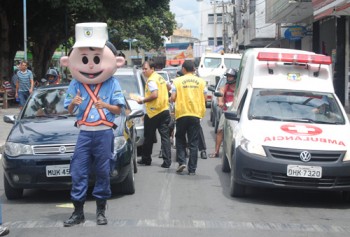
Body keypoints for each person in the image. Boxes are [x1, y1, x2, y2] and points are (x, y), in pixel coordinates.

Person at [61, 22, 126, 227]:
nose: (90, 65)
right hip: (85, 133)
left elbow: (119, 110)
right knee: (78, 171)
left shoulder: (112, 83)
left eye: (96, 59)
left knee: (103, 171)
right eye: (85, 59)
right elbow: (69, 110)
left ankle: (100, 211)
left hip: (104, 133)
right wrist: (73, 103)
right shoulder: (76, 84)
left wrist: (104, 104)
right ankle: (78, 212)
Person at [171, 60, 206, 175]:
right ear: (194, 69)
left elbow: (173, 97)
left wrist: (172, 100)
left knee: (180, 138)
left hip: (182, 113)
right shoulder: (201, 82)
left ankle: (182, 162)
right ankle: (192, 169)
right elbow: (205, 97)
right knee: (194, 142)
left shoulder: (177, 81)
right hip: (195, 113)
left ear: (184, 69)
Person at [136, 60, 172, 168]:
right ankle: (167, 161)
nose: (144, 71)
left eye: (146, 69)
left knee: (148, 137)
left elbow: (155, 94)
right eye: (143, 69)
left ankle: (146, 159)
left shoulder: (151, 80)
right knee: (165, 137)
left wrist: (143, 100)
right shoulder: (160, 78)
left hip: (153, 112)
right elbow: (168, 87)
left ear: (152, 69)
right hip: (164, 110)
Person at [210, 68, 237, 158]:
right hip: (226, 112)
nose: (229, 78)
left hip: (236, 114)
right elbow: (221, 94)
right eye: (228, 77)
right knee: (220, 130)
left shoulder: (239, 88)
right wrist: (220, 102)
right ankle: (216, 151)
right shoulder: (225, 87)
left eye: (231, 77)